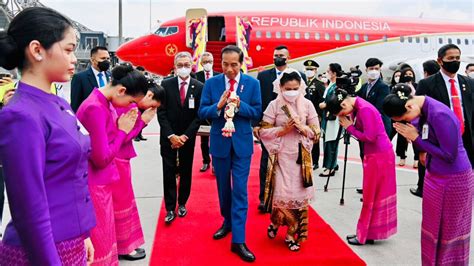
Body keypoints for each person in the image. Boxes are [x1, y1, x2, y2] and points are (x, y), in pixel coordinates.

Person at [0, 7, 96, 264]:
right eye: (68, 49)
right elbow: (28, 208)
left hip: (70, 239)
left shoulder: (59, 104)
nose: (74, 58)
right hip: (41, 250)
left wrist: (83, 233)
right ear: (37, 50)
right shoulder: (20, 115)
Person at [383, 84, 473, 265]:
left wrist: (416, 138)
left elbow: (449, 155)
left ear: (409, 106)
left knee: (450, 231)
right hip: (434, 175)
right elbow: (423, 136)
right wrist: (419, 144)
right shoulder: (419, 110)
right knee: (431, 227)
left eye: (405, 118)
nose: (408, 121)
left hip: (454, 179)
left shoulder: (440, 114)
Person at [77, 63, 150, 265]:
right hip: (95, 182)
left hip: (101, 180)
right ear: (121, 90)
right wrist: (122, 131)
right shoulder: (95, 107)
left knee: (106, 237)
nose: (129, 105)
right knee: (101, 243)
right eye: (130, 100)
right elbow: (101, 158)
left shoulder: (102, 102)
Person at [199, 45, 261, 262]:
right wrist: (219, 105)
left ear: (241, 63)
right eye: (225, 64)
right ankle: (227, 221)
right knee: (223, 188)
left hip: (242, 145)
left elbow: (257, 112)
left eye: (234, 64)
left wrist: (240, 104)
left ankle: (239, 240)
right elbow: (202, 112)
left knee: (241, 190)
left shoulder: (253, 84)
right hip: (220, 143)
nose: (230, 69)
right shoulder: (212, 83)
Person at [326, 87, 397, 246]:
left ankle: (363, 234)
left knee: (370, 196)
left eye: (341, 114)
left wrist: (349, 128)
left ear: (343, 106)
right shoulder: (358, 106)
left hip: (378, 156)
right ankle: (370, 232)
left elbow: (369, 137)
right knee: (374, 195)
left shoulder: (364, 110)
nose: (343, 117)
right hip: (377, 155)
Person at [259, 70, 320, 251]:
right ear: (281, 88)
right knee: (281, 196)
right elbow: (262, 131)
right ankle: (276, 222)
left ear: (300, 87)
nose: (292, 91)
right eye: (288, 88)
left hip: (301, 159)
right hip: (280, 156)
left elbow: (317, 132)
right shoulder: (274, 105)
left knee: (298, 197)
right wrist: (282, 130)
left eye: (295, 88)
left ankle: (292, 233)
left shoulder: (307, 104)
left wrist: (303, 128)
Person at [414, 44, 474, 198]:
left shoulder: (469, 83)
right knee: (439, 188)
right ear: (440, 61)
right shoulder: (427, 84)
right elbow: (420, 118)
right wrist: (421, 148)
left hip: (466, 139)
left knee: (464, 185)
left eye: (457, 58)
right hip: (439, 141)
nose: (455, 61)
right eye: (451, 58)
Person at [113, 82, 163, 261]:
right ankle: (124, 247)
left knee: (123, 202)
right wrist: (143, 121)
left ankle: (123, 245)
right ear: (149, 96)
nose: (152, 110)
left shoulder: (122, 102)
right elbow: (124, 136)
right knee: (122, 203)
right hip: (117, 158)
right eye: (153, 106)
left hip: (119, 157)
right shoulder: (130, 106)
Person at [255, 45, 306, 212]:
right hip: (270, 128)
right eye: (276, 55)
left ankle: (288, 199)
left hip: (292, 130)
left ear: (288, 57)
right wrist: (257, 124)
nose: (278, 57)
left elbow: (305, 103)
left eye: (281, 55)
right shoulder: (263, 76)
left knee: (289, 166)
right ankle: (265, 198)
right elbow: (259, 101)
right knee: (266, 163)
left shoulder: (299, 76)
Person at [158, 52, 203, 224]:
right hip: (168, 138)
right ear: (175, 66)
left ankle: (182, 202)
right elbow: (161, 113)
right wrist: (171, 135)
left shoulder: (199, 86)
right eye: (180, 64)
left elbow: (198, 116)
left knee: (186, 170)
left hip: (187, 137)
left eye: (186, 64)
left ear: (191, 65)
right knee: (168, 171)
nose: (183, 67)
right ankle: (170, 208)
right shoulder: (165, 84)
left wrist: (185, 136)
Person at [196, 52, 221, 172]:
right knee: (204, 140)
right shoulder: (196, 76)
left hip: (217, 111)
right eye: (205, 62)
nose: (208, 64)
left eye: (210, 62)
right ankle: (206, 161)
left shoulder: (219, 76)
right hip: (204, 112)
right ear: (201, 63)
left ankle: (216, 163)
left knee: (217, 139)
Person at [319, 63, 343, 177]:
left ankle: (330, 167)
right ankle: (333, 163)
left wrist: (325, 104)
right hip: (327, 117)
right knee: (328, 141)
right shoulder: (330, 84)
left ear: (334, 73)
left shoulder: (338, 86)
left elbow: (336, 102)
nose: (326, 73)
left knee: (331, 142)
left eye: (328, 71)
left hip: (333, 117)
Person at [357, 58, 391, 137]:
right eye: (371, 69)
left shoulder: (383, 87)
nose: (374, 71)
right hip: (366, 126)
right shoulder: (364, 87)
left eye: (376, 69)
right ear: (366, 70)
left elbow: (379, 108)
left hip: (379, 126)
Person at [71, 46, 111, 112]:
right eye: (103, 58)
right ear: (92, 60)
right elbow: (75, 105)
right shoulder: (80, 78)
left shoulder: (111, 76)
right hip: (88, 119)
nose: (106, 61)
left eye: (108, 58)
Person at [395, 68, 419, 168]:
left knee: (415, 137)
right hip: (403, 114)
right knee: (401, 137)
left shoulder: (416, 86)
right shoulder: (398, 87)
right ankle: (402, 156)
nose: (408, 75)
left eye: (410, 74)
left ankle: (416, 158)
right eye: (406, 74)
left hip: (415, 115)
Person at [304, 60, 325, 170]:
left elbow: (322, 101)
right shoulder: (303, 83)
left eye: (311, 69)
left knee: (314, 139)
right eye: (307, 69)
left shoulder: (319, 85)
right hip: (304, 116)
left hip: (315, 116)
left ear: (316, 70)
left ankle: (315, 161)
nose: (309, 71)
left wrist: (319, 116)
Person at [133, 66, 149, 142]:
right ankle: (135, 135)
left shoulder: (144, 80)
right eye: (141, 72)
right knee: (136, 119)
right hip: (136, 102)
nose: (142, 74)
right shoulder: (133, 80)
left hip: (143, 101)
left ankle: (140, 134)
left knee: (142, 119)